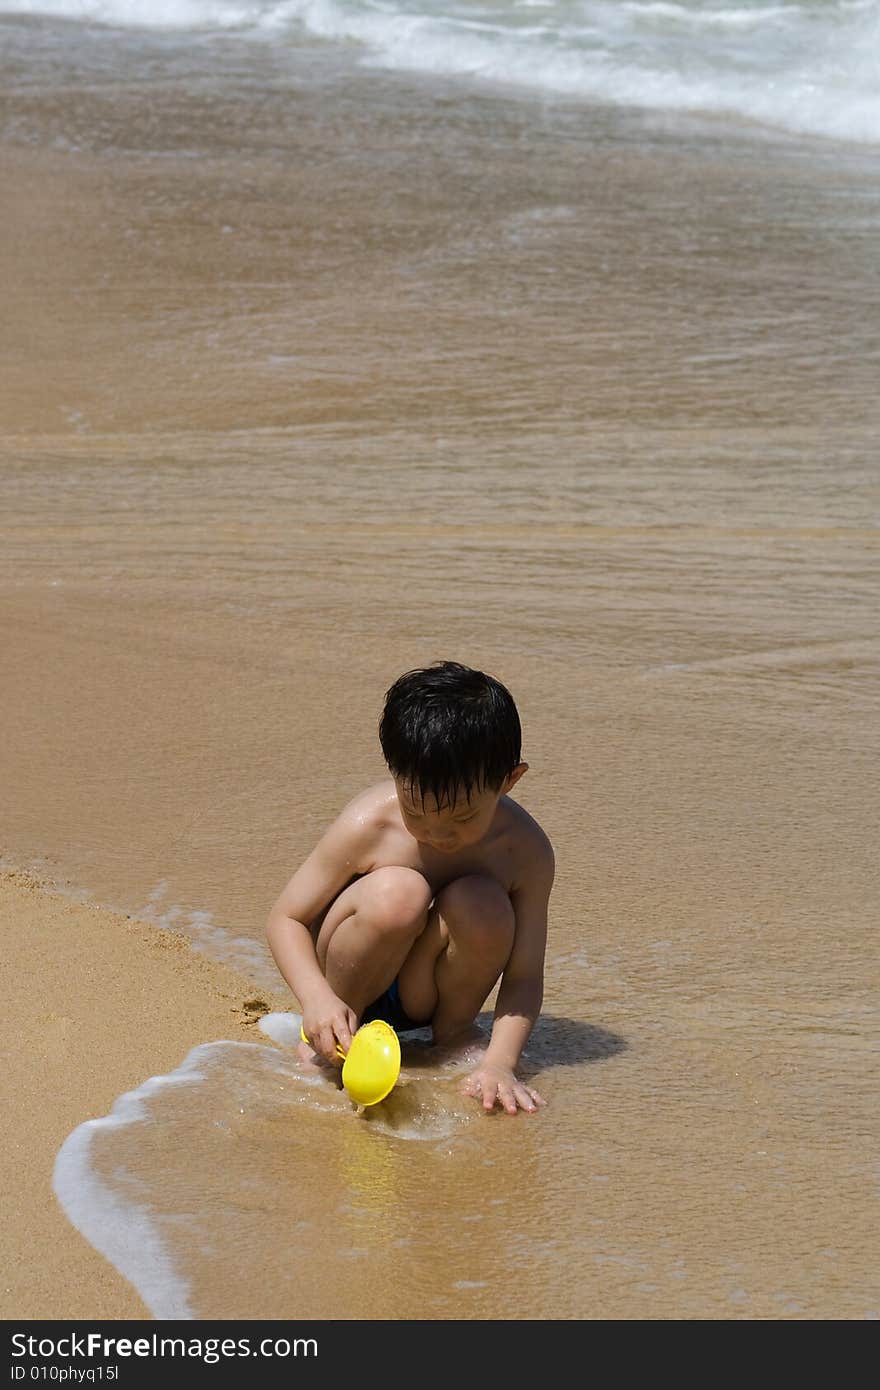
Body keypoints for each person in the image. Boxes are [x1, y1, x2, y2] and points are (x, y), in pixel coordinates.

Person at [266, 660, 555, 1115]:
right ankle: (332, 1039)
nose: (437, 834)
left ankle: (453, 1036)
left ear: (508, 781)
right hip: (352, 977)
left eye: (461, 818)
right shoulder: (371, 822)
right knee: (399, 893)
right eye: (415, 811)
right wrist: (317, 999)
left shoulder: (525, 851)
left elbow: (523, 976)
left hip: (432, 992)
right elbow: (287, 918)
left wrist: (502, 1062)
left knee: (482, 902)